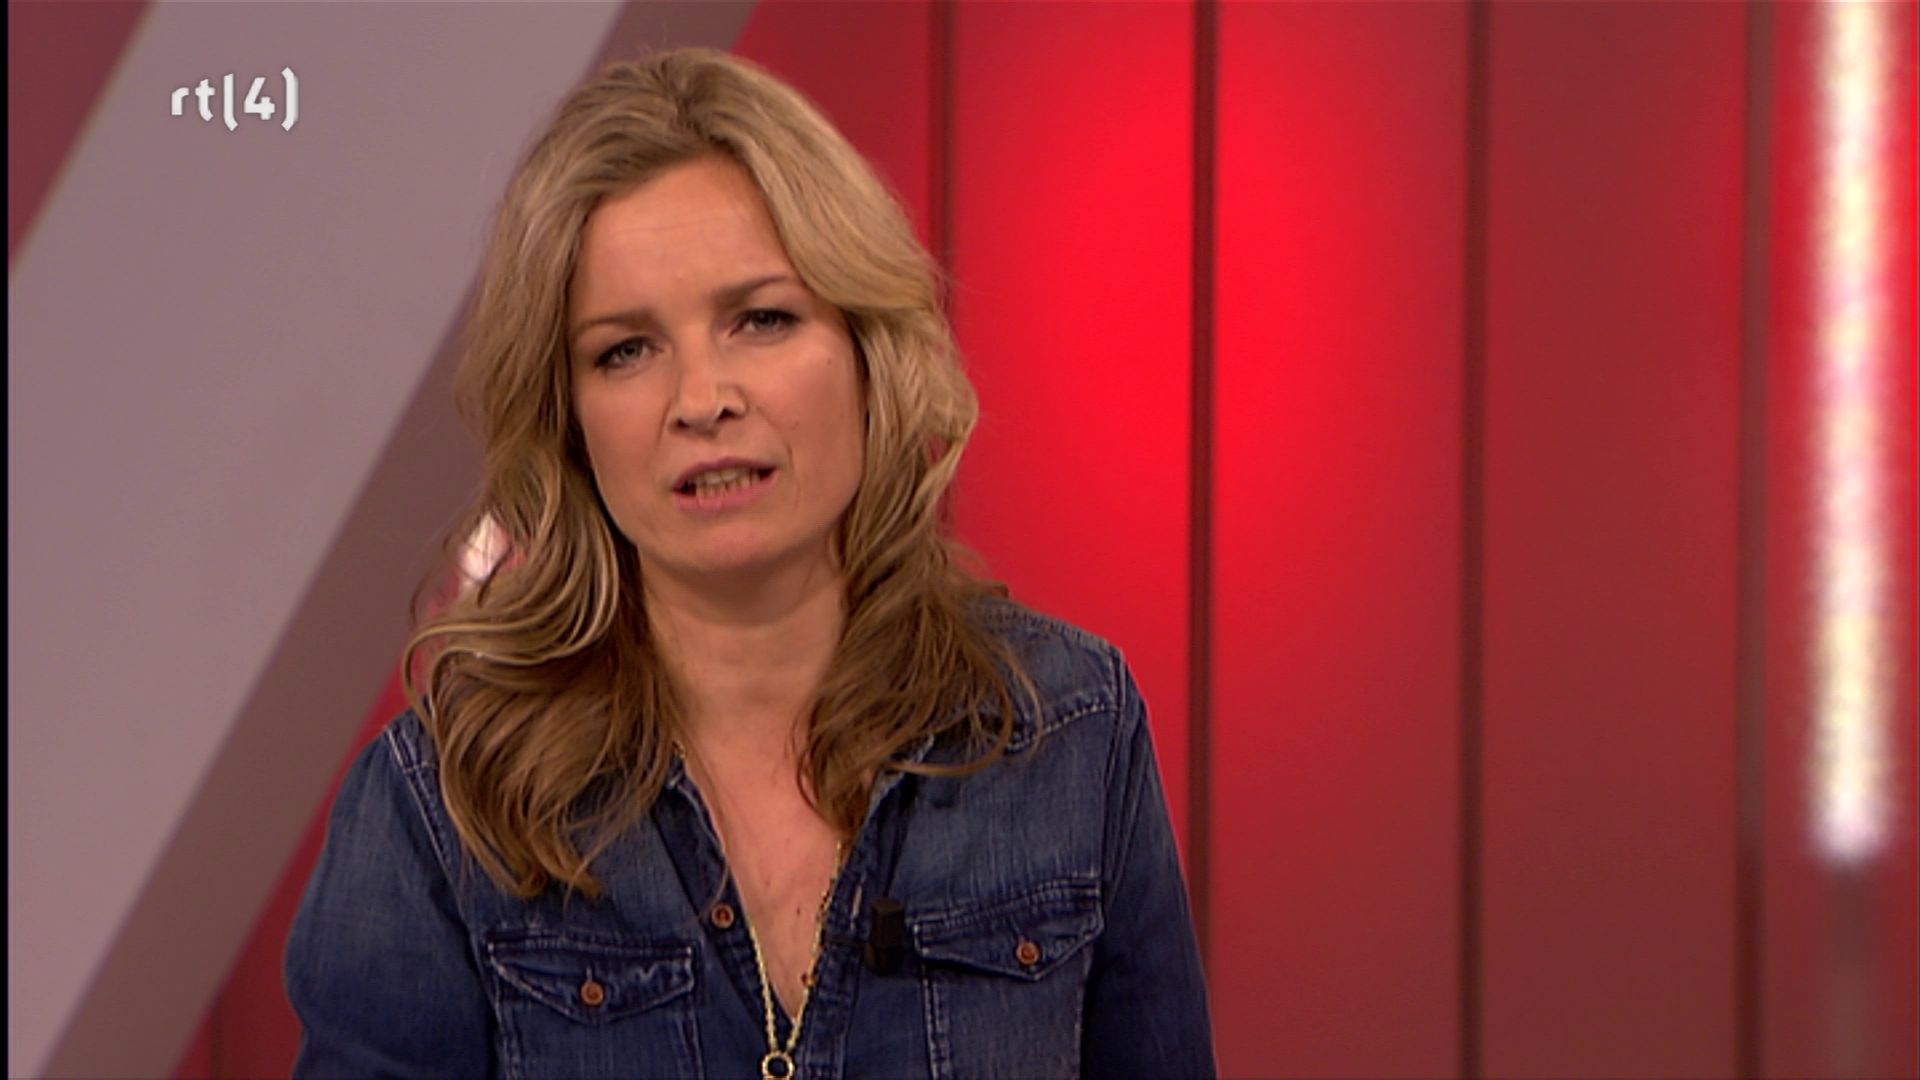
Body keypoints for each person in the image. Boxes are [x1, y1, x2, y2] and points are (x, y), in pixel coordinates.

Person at [285, 46, 1213, 1080]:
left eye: (762, 319)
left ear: (866, 352)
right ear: (571, 418)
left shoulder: (1070, 730)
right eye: (625, 350)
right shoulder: (442, 805)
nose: (702, 400)